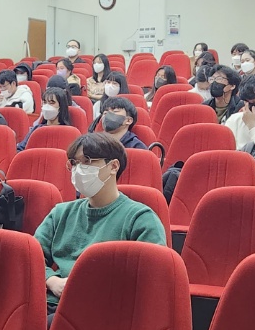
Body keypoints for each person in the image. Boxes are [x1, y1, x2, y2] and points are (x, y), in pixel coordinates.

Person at [34, 134, 165, 313]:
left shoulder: (140, 218)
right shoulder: (61, 213)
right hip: (53, 304)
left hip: (104, 311)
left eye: (87, 161)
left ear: (113, 166)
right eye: (74, 163)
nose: (78, 169)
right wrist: (51, 280)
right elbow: (33, 256)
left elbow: (153, 275)